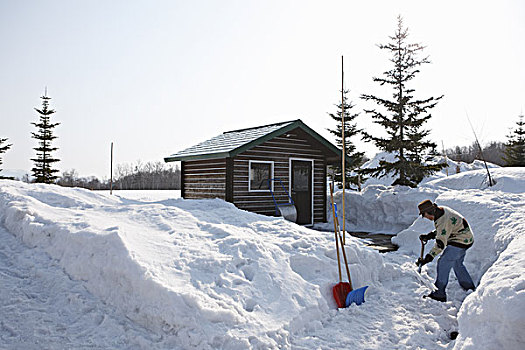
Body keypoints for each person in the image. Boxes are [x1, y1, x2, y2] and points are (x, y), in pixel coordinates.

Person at [416, 199, 476, 302]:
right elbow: (446, 228)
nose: (425, 217)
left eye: (424, 215)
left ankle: (439, 293)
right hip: (467, 238)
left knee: (444, 262)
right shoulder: (441, 211)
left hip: (460, 240)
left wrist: (428, 257)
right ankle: (468, 286)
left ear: (430, 212)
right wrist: (430, 235)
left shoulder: (442, 220)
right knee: (457, 263)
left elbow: (440, 244)